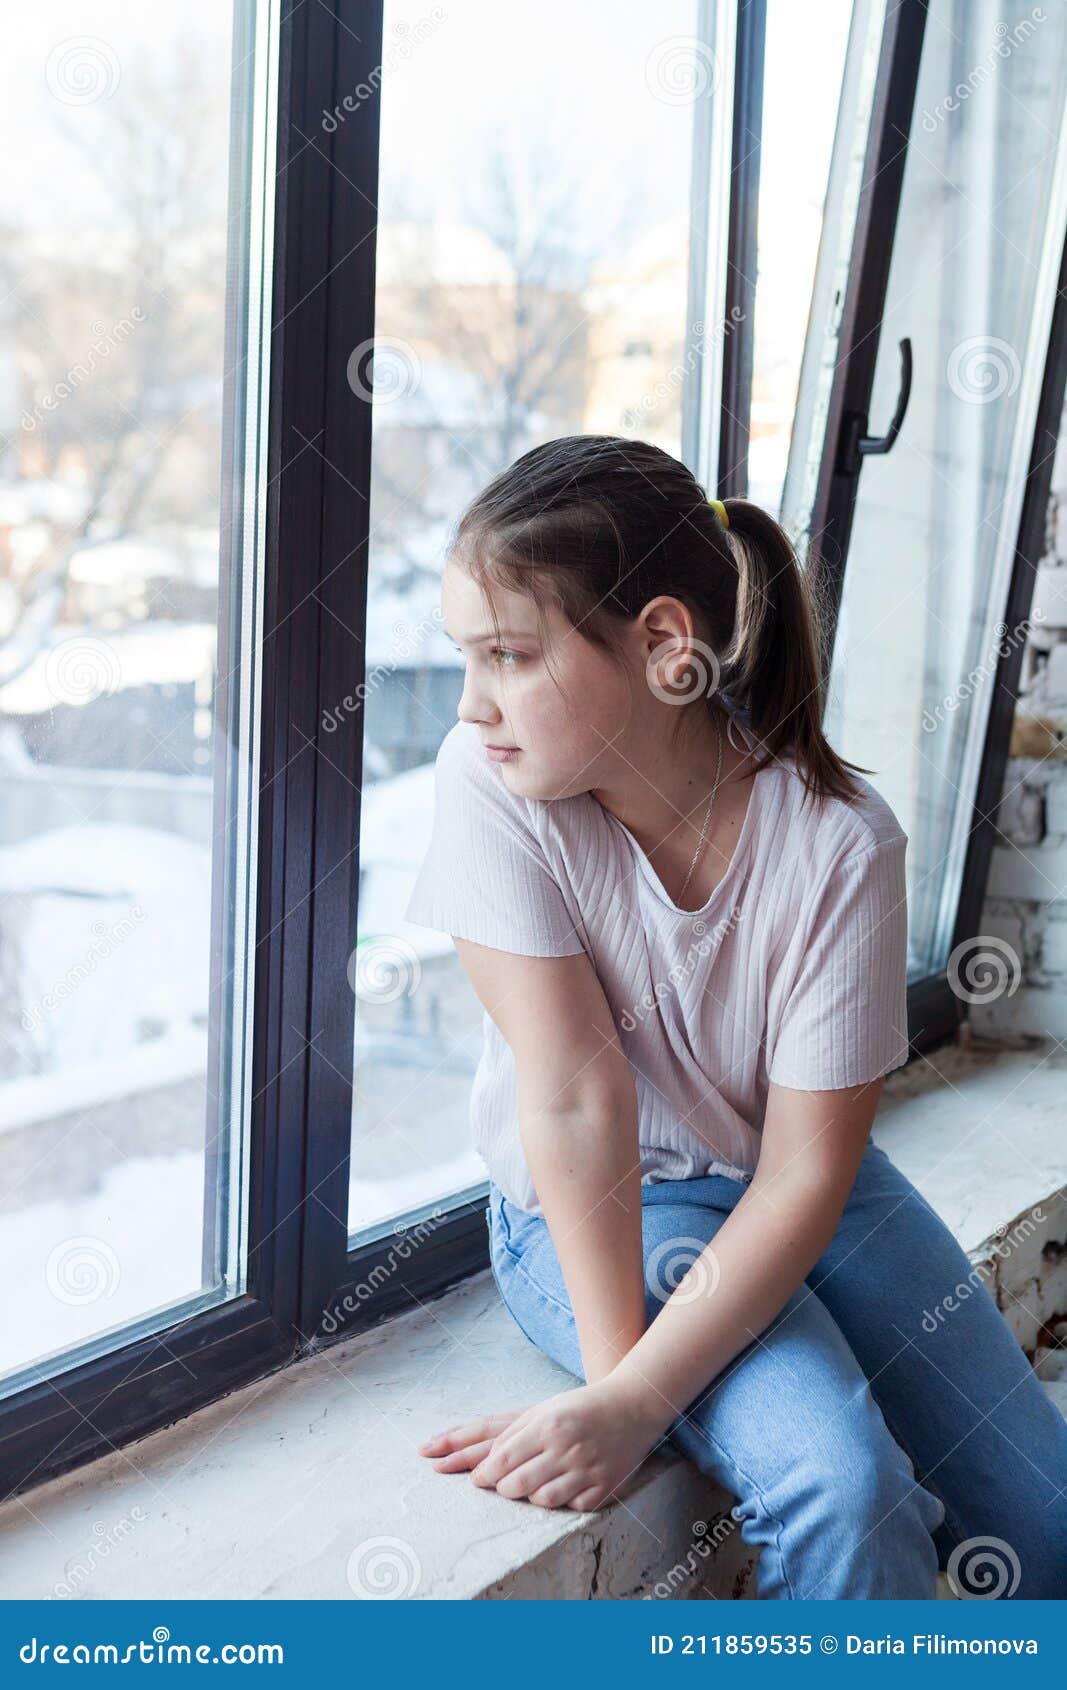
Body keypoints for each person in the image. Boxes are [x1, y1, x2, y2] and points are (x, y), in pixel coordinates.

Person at [404, 434, 1067, 1599]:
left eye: (506, 656)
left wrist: (638, 1394)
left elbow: (811, 1174)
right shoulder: (489, 782)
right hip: (609, 1203)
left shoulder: (837, 843)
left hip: (785, 1183)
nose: (473, 705)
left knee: (1046, 1520)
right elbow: (572, 1093)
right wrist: (625, 1391)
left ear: (664, 644)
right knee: (843, 1490)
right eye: (467, 657)